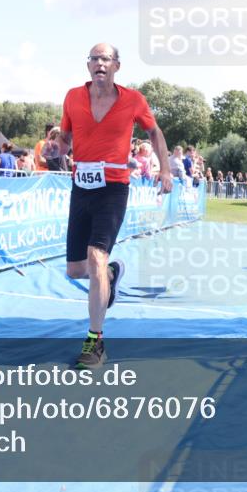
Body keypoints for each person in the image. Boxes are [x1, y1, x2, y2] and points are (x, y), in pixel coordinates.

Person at [56, 42, 172, 369]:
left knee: (95, 257)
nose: (99, 63)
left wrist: (165, 169)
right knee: (77, 270)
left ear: (117, 65)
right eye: (94, 58)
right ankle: (109, 274)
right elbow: (64, 139)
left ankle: (95, 343)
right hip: (81, 187)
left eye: (105, 58)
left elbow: (155, 133)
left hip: (114, 189)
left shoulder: (133, 100)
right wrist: (57, 147)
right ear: (88, 65)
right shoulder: (72, 97)